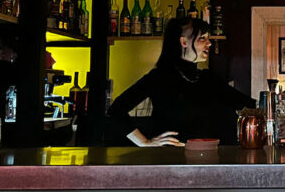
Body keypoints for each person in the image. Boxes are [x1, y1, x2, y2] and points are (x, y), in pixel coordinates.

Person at [107, 17, 255, 146]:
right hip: (171, 164)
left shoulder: (208, 78)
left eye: (208, 38)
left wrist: (273, 104)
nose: (209, 43)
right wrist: (145, 143)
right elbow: (116, 110)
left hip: (208, 163)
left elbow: (249, 104)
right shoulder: (160, 77)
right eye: (202, 38)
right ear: (183, 42)